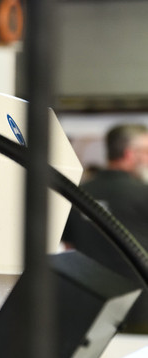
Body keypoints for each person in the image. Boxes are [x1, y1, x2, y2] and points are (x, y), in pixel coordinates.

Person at [62, 123, 148, 333]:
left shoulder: (79, 193)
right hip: (138, 309)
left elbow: (69, 244)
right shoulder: (143, 194)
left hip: (90, 304)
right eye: (145, 151)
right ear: (130, 154)